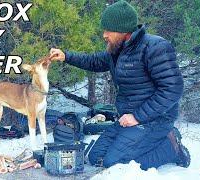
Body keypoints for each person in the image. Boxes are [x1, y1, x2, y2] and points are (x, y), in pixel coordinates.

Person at [49, 0, 191, 170]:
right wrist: (66, 56)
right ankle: (147, 142)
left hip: (155, 119)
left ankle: (171, 148)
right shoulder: (117, 50)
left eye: (108, 30)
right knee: (96, 157)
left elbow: (173, 89)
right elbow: (94, 61)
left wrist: (137, 117)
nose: (104, 35)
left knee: (115, 164)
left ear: (124, 30)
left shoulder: (155, 47)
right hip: (129, 119)